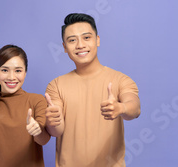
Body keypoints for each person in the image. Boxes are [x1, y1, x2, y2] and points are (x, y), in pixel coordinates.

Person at [44, 13, 141, 167]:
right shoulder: (56, 85)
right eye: (72, 40)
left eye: (87, 37)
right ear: (64, 47)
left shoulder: (120, 79)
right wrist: (52, 121)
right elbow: (56, 131)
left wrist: (121, 107)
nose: (80, 45)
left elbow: (134, 108)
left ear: (97, 40)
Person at [0, 44, 51, 167]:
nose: (11, 77)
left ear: (25, 72)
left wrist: (37, 131)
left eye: (18, 70)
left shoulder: (37, 101)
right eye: (4, 70)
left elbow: (44, 139)